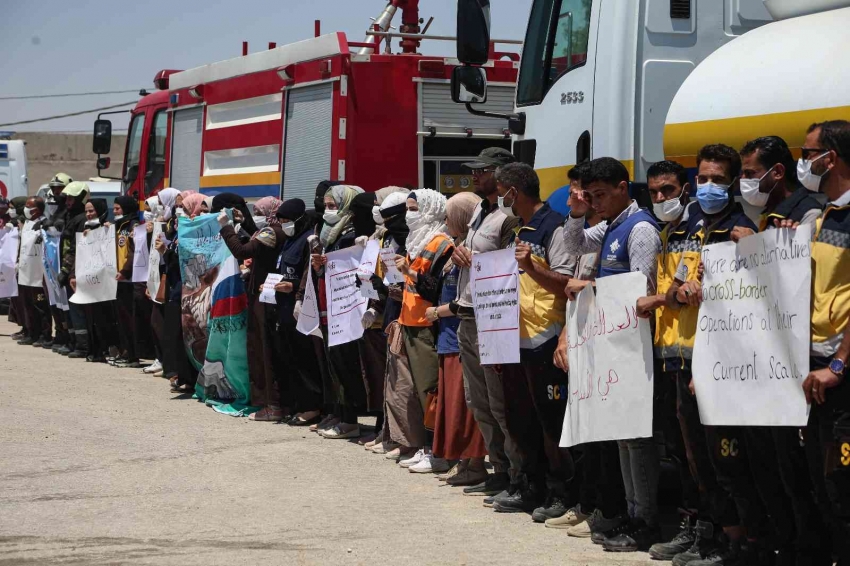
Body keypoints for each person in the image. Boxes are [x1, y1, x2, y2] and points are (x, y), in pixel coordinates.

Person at [665, 145, 782, 566]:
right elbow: (671, 292)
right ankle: (717, 538)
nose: (708, 186)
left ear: (733, 183)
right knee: (699, 460)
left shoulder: (743, 228)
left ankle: (749, 544)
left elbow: (765, 300)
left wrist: (753, 248)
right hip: (686, 364)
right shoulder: (690, 226)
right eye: (702, 178)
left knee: (733, 462)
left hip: (730, 368)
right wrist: (680, 291)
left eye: (717, 180)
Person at [635, 160, 740, 562]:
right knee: (685, 455)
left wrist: (673, 295)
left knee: (718, 459)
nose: (661, 198)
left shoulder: (733, 226)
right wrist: (673, 294)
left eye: (669, 190)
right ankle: (695, 527)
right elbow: (680, 283)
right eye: (655, 192)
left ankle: (723, 539)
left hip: (710, 359)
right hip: (673, 357)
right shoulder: (677, 230)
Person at [562, 157, 662, 551]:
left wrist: (592, 290)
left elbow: (643, 289)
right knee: (622, 436)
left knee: (636, 438)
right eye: (590, 196)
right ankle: (633, 513)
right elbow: (573, 244)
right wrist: (576, 211)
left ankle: (646, 519)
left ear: (623, 187)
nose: (595, 202)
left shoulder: (639, 229)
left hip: (633, 346)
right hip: (612, 343)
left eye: (600, 195)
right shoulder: (610, 225)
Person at [486, 163, 575, 522]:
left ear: (514, 191)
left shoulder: (556, 227)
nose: (498, 197)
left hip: (545, 337)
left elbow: (567, 285)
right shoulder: (515, 232)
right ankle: (530, 485)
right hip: (512, 339)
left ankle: (562, 492)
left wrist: (533, 267)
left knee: (551, 423)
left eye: (501, 190)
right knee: (520, 420)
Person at [550, 164, 626, 536]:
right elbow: (574, 247)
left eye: (582, 193)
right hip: (582, 339)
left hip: (608, 345)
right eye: (577, 194)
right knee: (581, 432)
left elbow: (627, 289)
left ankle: (603, 508)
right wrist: (566, 336)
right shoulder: (598, 231)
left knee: (602, 438)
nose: (576, 199)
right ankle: (585, 503)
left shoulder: (626, 229)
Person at [450, 147, 523, 499]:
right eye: (474, 171)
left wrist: (475, 258)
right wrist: (459, 252)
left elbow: (513, 267)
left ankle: (516, 474)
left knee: (500, 402)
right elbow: (467, 253)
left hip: (493, 317)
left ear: (503, 173)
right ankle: (498, 468)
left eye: (483, 171)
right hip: (467, 313)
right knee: (477, 400)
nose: (475, 177)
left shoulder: (510, 218)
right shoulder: (480, 209)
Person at [799, 120, 850, 565]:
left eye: (807, 152)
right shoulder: (824, 215)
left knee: (843, 487)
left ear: (829, 159)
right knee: (821, 483)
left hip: (840, 374)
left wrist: (839, 364)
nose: (803, 161)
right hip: (817, 368)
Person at [427, 191, 488, 485]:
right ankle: (463, 461)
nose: (445, 223)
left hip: (461, 334)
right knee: (454, 404)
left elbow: (469, 297)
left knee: (467, 406)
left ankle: (475, 463)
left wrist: (439, 312)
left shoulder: (474, 253)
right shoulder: (456, 250)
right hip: (449, 337)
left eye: (449, 218)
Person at [392, 188, 453, 473]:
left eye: (415, 208)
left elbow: (438, 288)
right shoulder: (415, 241)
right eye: (408, 208)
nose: (410, 214)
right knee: (419, 390)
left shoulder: (442, 243)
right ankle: (426, 447)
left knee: (431, 390)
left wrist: (410, 272)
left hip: (429, 325)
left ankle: (437, 451)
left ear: (430, 209)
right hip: (410, 322)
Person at [218, 196, 286, 421]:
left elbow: (242, 250)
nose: (255, 215)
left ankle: (272, 405)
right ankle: (265, 402)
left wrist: (226, 227)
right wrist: (244, 221)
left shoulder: (272, 232)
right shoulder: (268, 230)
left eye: (259, 211)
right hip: (261, 294)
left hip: (266, 297)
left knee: (263, 350)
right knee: (257, 348)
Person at [312, 184, 369, 440]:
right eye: (326, 206)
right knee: (334, 363)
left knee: (347, 363)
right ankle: (341, 414)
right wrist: (320, 266)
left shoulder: (353, 233)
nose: (328, 211)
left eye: (333, 206)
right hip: (329, 306)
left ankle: (350, 420)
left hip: (347, 308)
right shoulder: (329, 234)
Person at [275, 198, 323, 427]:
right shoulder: (290, 240)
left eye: (287, 220)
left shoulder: (308, 240)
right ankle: (298, 404)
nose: (284, 224)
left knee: (305, 360)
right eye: (281, 220)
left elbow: (308, 275)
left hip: (300, 308)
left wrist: (293, 287)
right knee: (290, 358)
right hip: (283, 308)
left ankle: (312, 407)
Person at [739, 136, 822, 230]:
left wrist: (751, 243)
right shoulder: (767, 215)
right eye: (742, 173)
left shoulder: (810, 214)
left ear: (778, 172)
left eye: (749, 173)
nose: (743, 179)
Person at [72, 198, 120, 362]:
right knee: (90, 317)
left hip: (105, 283)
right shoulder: (86, 229)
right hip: (90, 282)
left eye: (91, 211)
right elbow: (80, 255)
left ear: (100, 210)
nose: (88, 214)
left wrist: (108, 231)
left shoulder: (108, 228)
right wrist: (74, 276)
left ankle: (108, 349)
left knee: (104, 317)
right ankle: (94, 350)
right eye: (86, 211)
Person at [57, 182, 91, 358]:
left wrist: (66, 270)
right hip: (68, 269)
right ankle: (72, 342)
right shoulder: (70, 216)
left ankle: (82, 346)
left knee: (77, 309)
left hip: (76, 271)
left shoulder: (82, 220)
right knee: (69, 308)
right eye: (67, 198)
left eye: (72, 198)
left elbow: (75, 248)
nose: (68, 202)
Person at [41, 172, 73, 352]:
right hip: (53, 262)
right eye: (53, 188)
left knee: (66, 301)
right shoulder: (55, 207)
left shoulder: (72, 210)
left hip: (67, 262)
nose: (56, 192)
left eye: (59, 187)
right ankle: (60, 333)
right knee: (55, 299)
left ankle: (70, 337)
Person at [111, 195, 144, 368]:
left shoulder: (134, 225)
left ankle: (133, 355)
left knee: (130, 318)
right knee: (121, 318)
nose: (115, 212)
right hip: (117, 279)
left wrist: (125, 271)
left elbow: (133, 252)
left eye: (118, 208)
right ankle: (125, 352)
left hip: (130, 279)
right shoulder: (118, 225)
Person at [16, 196, 52, 347]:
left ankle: (45, 335)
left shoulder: (45, 224)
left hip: (38, 273)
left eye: (28, 206)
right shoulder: (27, 224)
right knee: (28, 306)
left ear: (36, 210)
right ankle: (32, 333)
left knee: (40, 306)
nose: (25, 208)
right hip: (25, 272)